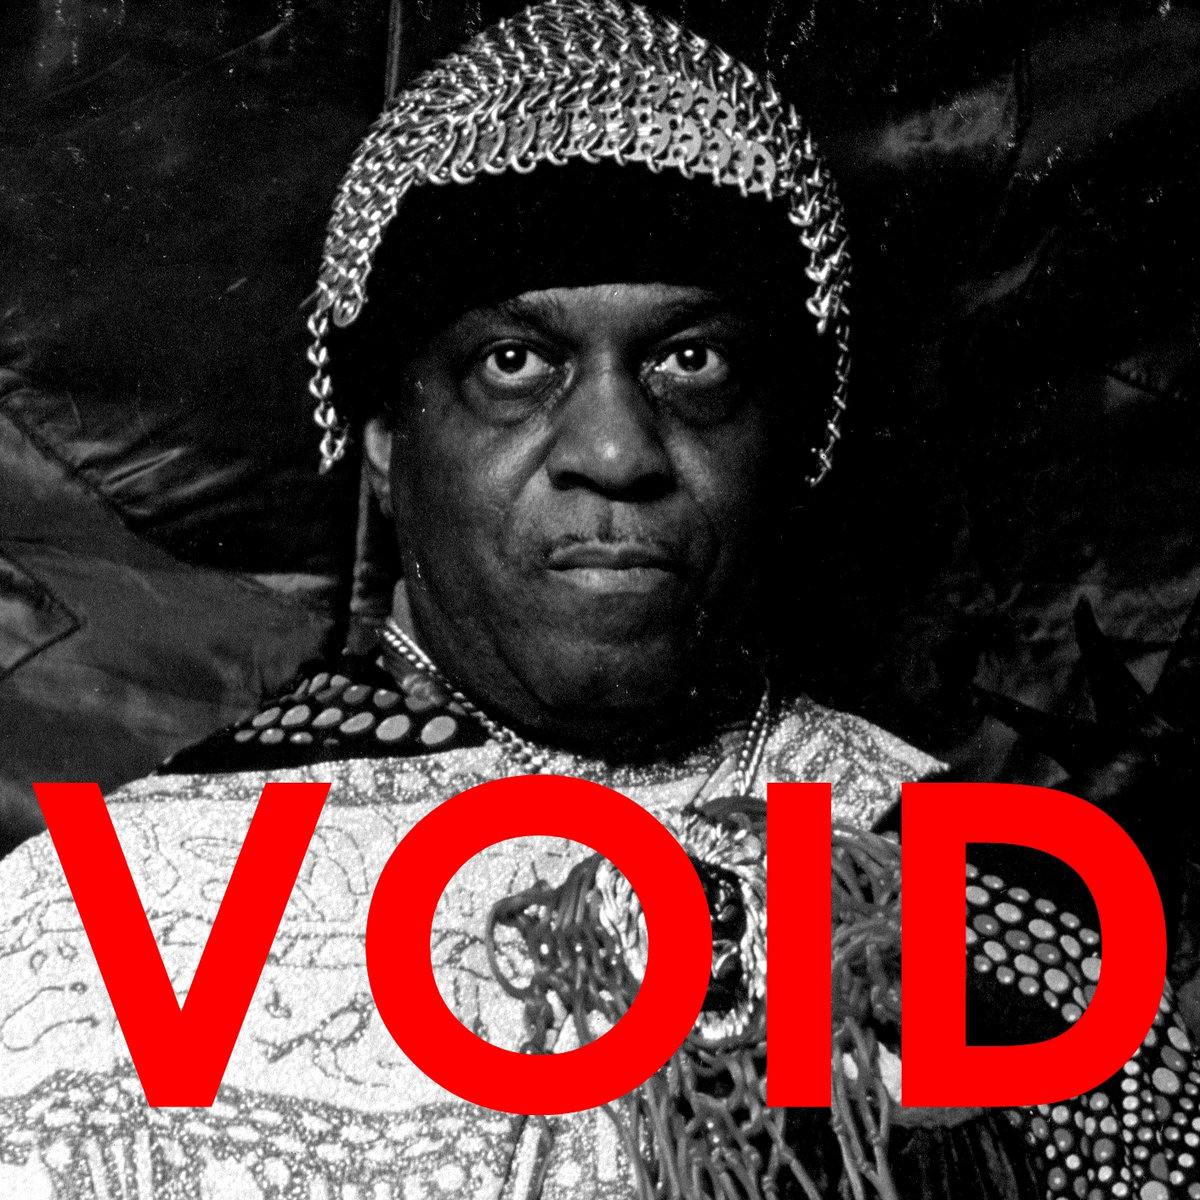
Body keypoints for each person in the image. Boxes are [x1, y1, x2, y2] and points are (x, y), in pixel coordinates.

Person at [0, 2, 1196, 1197]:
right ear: (384, 435)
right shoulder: (104, 918)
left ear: (794, 438)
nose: (617, 451)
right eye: (515, 363)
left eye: (691, 359)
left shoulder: (970, 900)